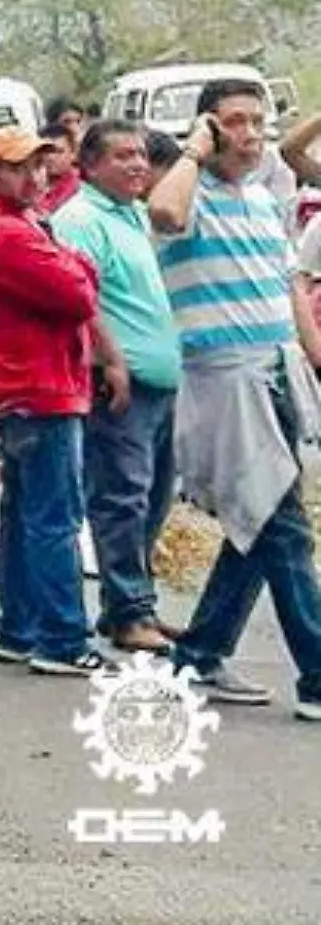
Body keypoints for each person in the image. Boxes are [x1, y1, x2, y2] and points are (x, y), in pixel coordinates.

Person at [151, 80, 321, 718]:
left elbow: (289, 290)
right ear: (209, 127)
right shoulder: (186, 193)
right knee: (284, 528)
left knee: (259, 523)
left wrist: (313, 360)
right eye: (235, 123)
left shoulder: (261, 196)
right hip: (225, 380)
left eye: (258, 121)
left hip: (276, 368)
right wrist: (194, 151)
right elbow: (164, 215)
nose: (250, 135)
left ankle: (199, 650)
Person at [0, 126, 105, 675]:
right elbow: (78, 295)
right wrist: (78, 265)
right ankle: (63, 638)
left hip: (17, 386)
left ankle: (18, 627)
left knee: (23, 516)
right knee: (54, 519)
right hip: (39, 386)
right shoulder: (10, 233)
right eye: (21, 167)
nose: (35, 176)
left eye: (40, 165)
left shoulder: (1, 225)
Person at [51, 120, 183, 655]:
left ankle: (131, 603)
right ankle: (129, 612)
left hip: (160, 382)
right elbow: (83, 300)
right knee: (120, 499)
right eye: (123, 156)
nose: (137, 166)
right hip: (119, 385)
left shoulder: (130, 214)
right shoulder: (80, 219)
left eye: (142, 156)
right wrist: (110, 361)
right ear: (90, 165)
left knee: (153, 496)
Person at [39, 122, 82, 211]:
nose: (51, 157)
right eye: (46, 151)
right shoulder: (32, 184)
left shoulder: (80, 187)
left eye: (59, 151)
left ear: (73, 153)